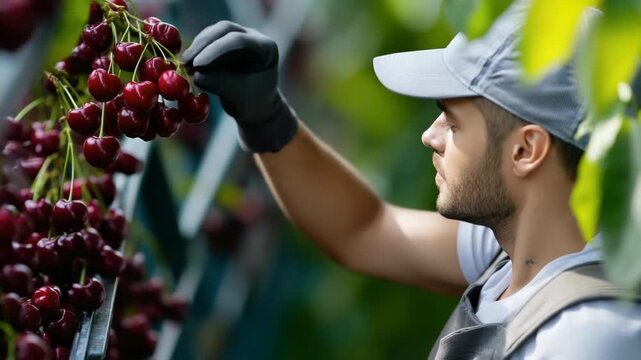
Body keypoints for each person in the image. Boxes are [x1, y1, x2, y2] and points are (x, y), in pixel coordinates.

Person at [182, 1, 641, 359]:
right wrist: (266, 118)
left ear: (526, 150)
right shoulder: (523, 250)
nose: (430, 136)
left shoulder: (590, 337)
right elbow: (365, 230)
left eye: (452, 121)